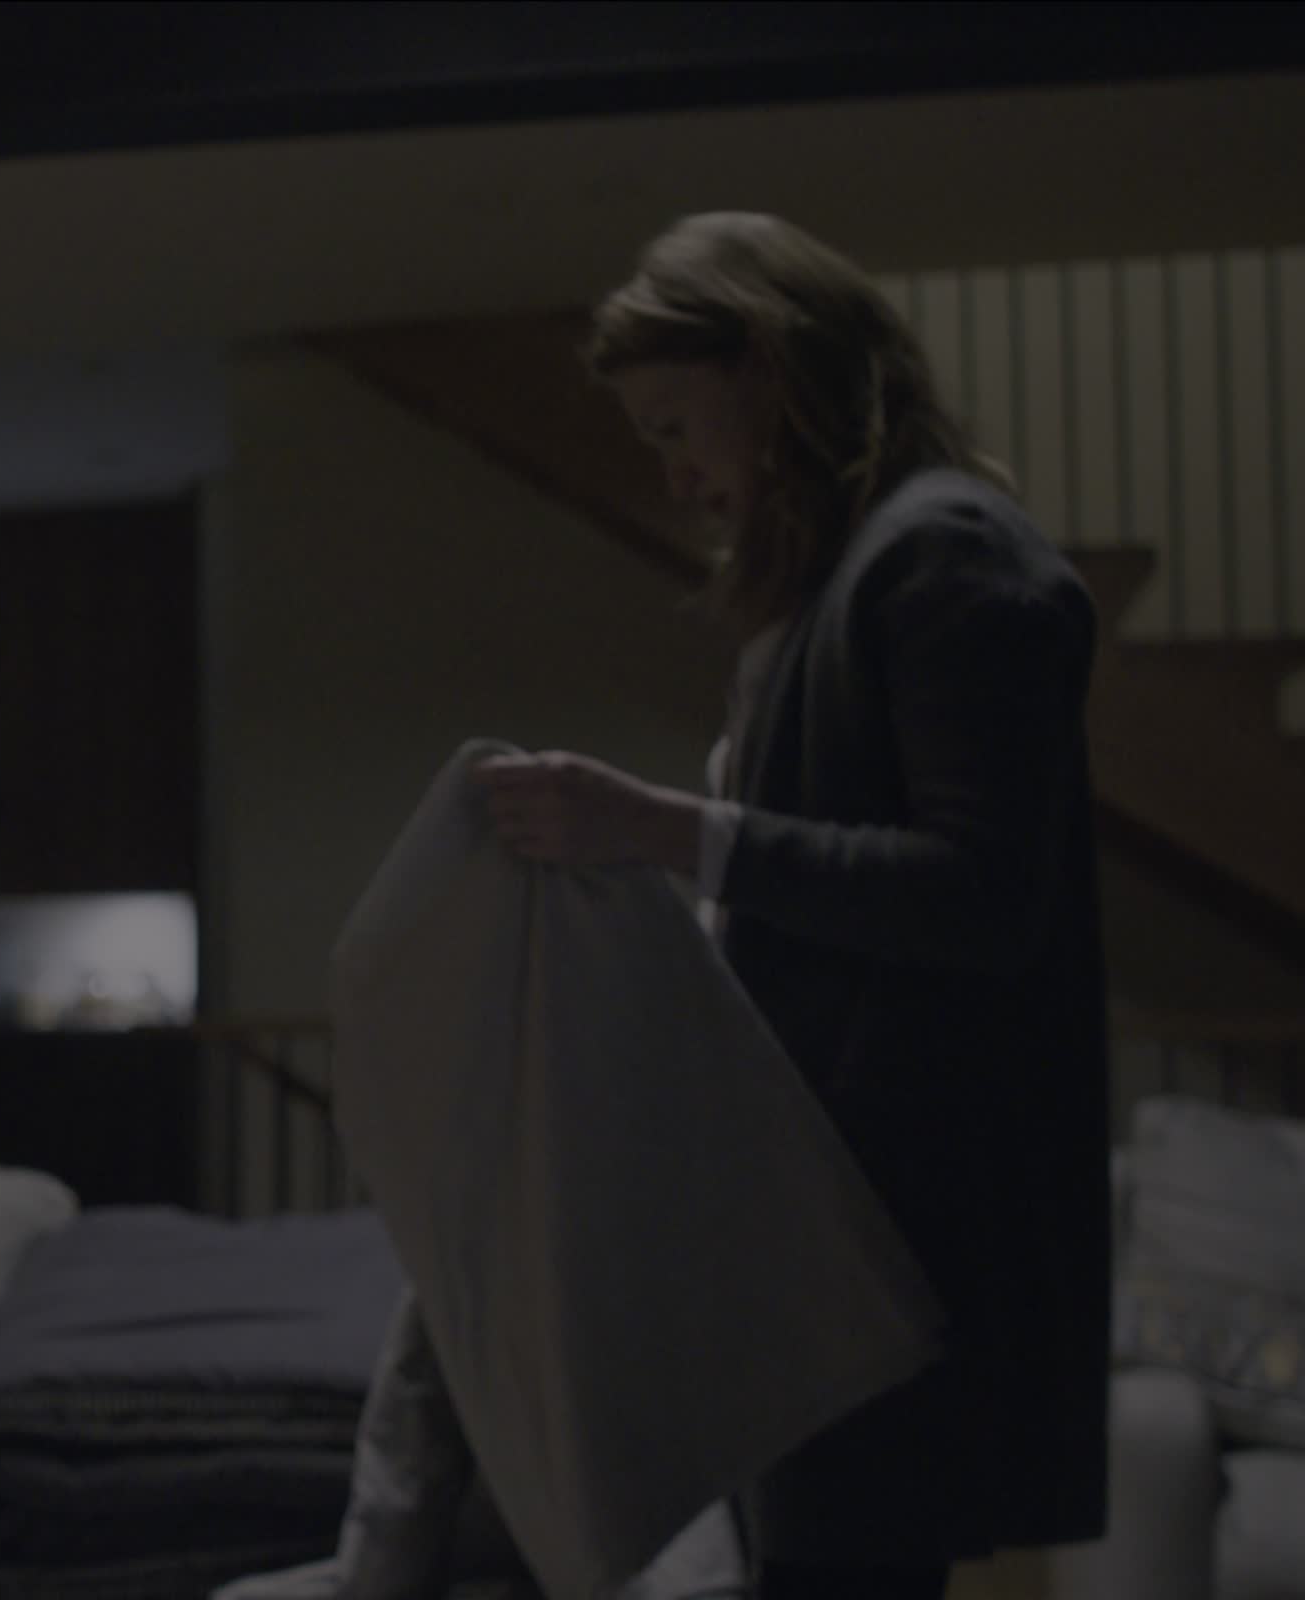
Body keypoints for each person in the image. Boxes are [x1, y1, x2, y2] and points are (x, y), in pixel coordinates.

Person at [473, 213, 1111, 1600]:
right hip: (826, 1216)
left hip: (885, 1232)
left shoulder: (945, 556)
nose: (675, 473)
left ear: (770, 370)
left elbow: (983, 894)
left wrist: (659, 829)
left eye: (676, 426)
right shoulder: (849, 573)